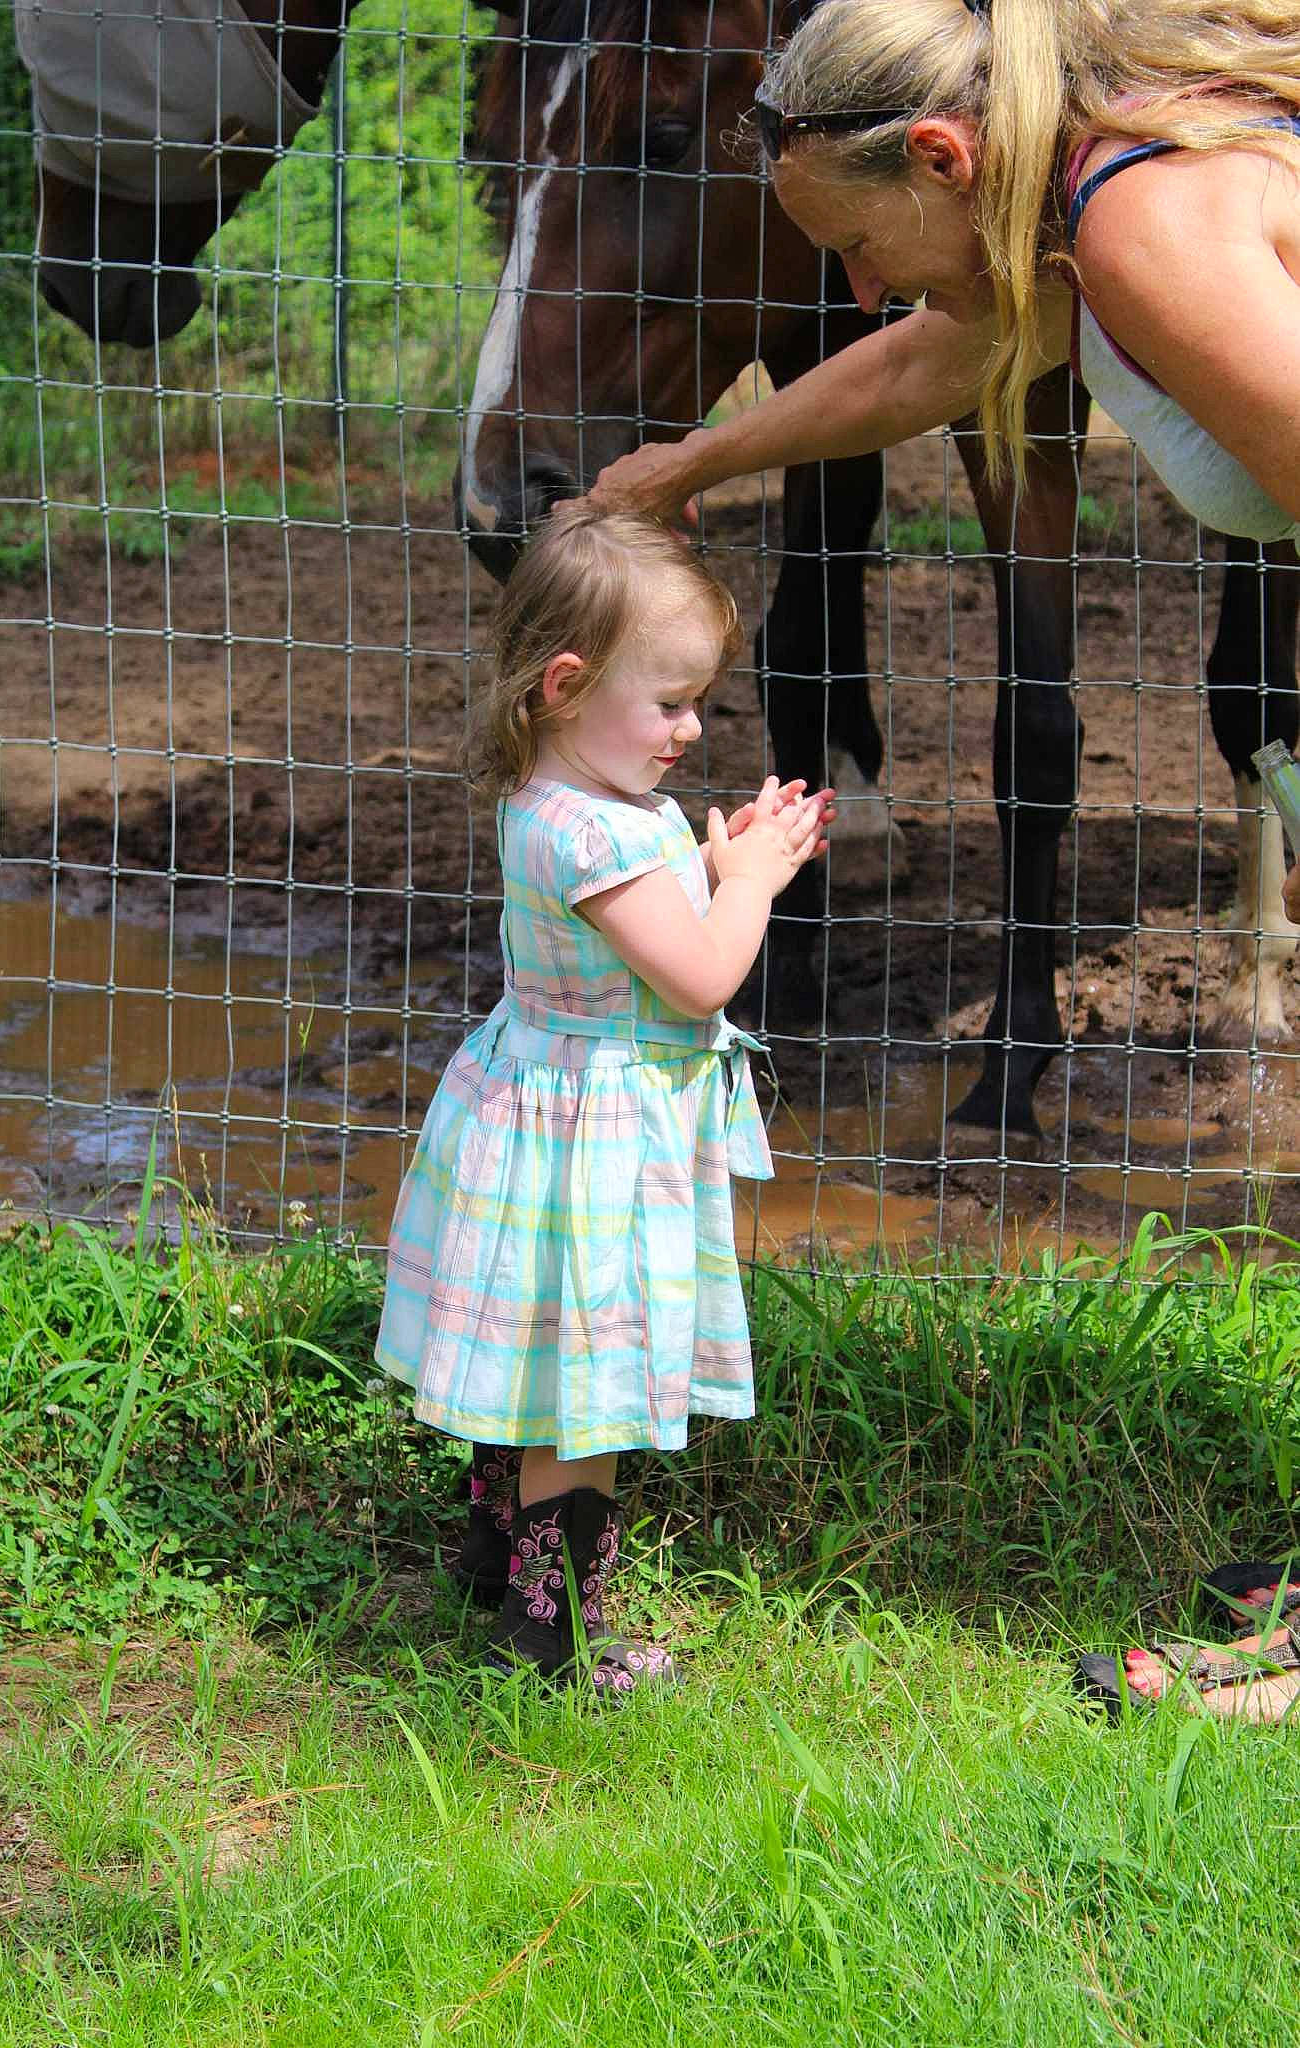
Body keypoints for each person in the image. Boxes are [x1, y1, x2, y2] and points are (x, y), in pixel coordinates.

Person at [374, 505, 833, 1695]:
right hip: (598, 1139)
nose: (691, 729)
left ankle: (496, 1554)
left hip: (547, 1113)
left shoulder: (568, 795)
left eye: (699, 702)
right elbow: (701, 977)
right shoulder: (592, 837)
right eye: (672, 701)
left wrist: (708, 861)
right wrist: (754, 879)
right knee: (593, 1387)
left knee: (540, 1356)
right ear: (567, 683)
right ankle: (550, 1642)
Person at [584, 0, 1300, 548]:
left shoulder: (1143, 228)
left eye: (857, 243)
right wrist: (687, 465)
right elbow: (910, 370)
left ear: (938, 158)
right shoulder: (1073, 212)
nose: (866, 296)